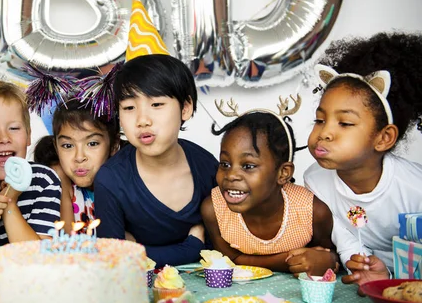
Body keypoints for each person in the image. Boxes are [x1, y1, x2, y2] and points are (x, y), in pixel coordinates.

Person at [304, 32, 422, 290]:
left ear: (383, 138)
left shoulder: (416, 189)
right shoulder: (315, 180)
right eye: (320, 120)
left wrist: (396, 277)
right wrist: (363, 265)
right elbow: (346, 239)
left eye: (345, 123)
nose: (324, 132)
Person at [94, 54, 219, 267]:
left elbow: (222, 250)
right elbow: (115, 260)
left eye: (157, 104)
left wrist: (140, 250)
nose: (143, 120)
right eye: (129, 108)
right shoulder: (111, 180)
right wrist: (192, 247)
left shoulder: (208, 167)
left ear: (185, 108)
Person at [201, 111, 338, 275]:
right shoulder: (213, 210)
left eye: (248, 166)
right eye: (225, 163)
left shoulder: (313, 212)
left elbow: (329, 257)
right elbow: (230, 259)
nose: (230, 175)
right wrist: (286, 261)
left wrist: (328, 260)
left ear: (283, 173)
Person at [0, 77, 61, 269]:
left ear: (28, 134)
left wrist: (10, 204)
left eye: (13, 128)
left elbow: (37, 262)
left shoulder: (43, 181)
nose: (4, 138)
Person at [34, 99, 120, 233]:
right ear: (56, 147)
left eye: (92, 144)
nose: (79, 157)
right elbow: (68, 240)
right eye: (67, 146)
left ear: (114, 145)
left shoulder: (122, 182)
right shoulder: (58, 181)